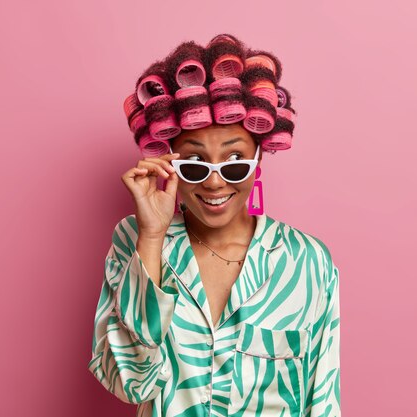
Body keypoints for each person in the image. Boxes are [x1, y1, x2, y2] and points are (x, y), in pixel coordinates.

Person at [87, 33, 341, 417]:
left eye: (234, 161)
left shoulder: (305, 261)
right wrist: (152, 237)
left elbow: (322, 399)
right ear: (170, 164)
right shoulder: (134, 240)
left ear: (258, 162)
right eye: (194, 164)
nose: (215, 182)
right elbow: (129, 383)